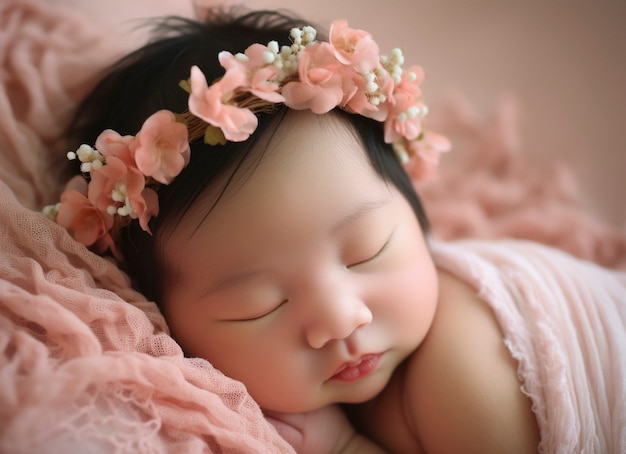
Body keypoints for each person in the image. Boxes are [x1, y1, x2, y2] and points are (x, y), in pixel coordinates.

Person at [43, 7, 626, 454]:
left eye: (367, 252)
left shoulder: (465, 368)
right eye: (259, 305)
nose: (342, 320)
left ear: (416, 212)